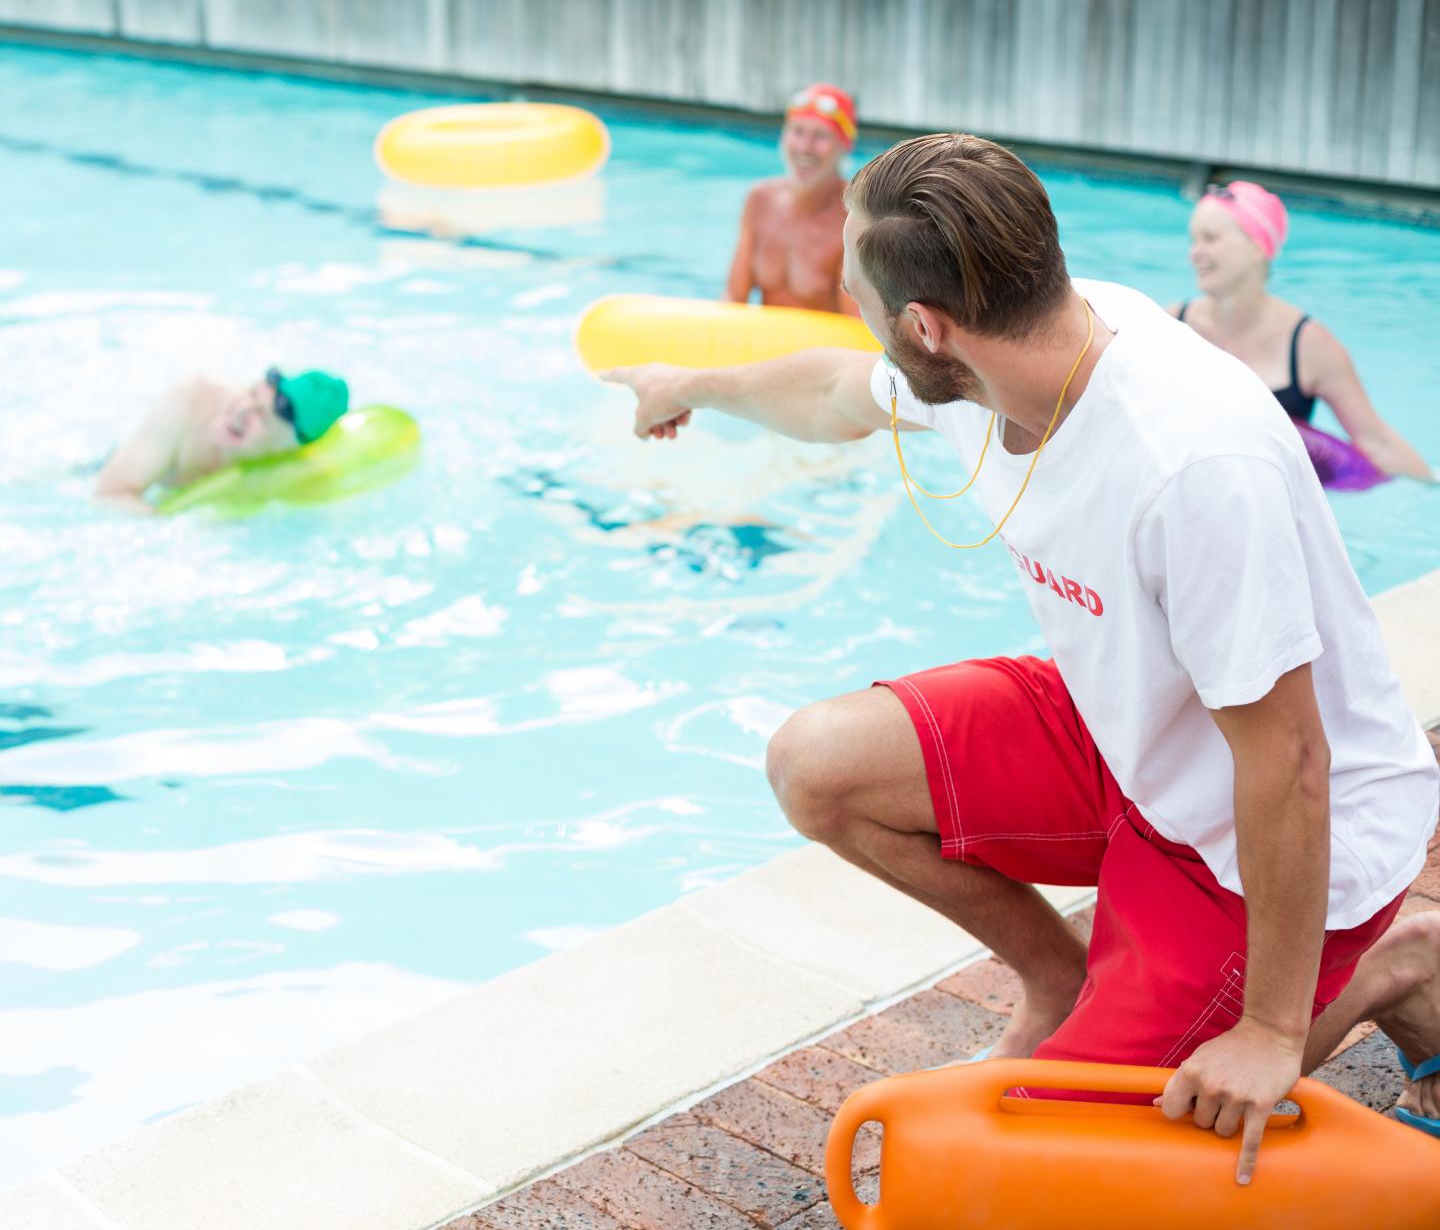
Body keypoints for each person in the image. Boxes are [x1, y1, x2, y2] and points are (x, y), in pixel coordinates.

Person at [604, 133, 1440, 1176]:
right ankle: (1062, 979)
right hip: (1133, 730)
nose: (848, 306)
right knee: (817, 765)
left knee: (1067, 1165)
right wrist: (688, 380)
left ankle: (1396, 964)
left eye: (853, 288)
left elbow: (1290, 761)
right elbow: (832, 394)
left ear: (926, 323)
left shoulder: (1193, 460)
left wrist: (1270, 1030)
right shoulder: (999, 347)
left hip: (1262, 829)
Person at [1172, 180, 1431, 481]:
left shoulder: (1309, 345)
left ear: (1257, 247)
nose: (1195, 253)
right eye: (1193, 240)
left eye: (1210, 238)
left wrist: (1431, 481)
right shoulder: (1170, 325)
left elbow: (1378, 443)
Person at [92, 367, 348, 510]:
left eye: (261, 416)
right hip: (105, 472)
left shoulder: (299, 474)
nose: (241, 411)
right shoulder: (191, 401)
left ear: (289, 447)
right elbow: (110, 494)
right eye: (251, 394)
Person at [724, 83, 861, 316]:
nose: (805, 148)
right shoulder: (760, 200)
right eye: (797, 132)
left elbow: (856, 325)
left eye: (820, 136)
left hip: (824, 351)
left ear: (844, 145)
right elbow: (733, 299)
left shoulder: (855, 216)